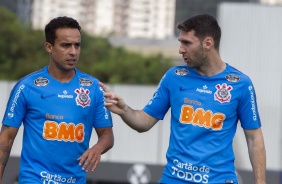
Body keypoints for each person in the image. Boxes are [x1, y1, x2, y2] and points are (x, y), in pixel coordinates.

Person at [99, 14, 266, 184]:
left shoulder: (241, 84)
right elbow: (144, 122)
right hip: (174, 179)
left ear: (208, 43)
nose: (180, 49)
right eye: (180, 42)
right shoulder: (174, 77)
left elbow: (254, 138)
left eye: (187, 43)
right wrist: (125, 110)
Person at [0, 16, 114, 184]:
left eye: (77, 45)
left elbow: (107, 134)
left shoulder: (94, 88)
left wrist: (98, 148)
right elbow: (6, 139)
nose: (73, 52)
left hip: (75, 180)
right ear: (49, 47)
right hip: (34, 179)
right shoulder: (26, 87)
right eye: (66, 45)